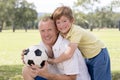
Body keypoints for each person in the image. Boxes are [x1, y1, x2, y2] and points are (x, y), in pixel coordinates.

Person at [48, 6, 112, 80]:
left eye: (64, 21)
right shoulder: (63, 32)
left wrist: (54, 61)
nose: (61, 25)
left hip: (99, 54)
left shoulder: (76, 31)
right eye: (58, 22)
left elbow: (68, 54)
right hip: (88, 57)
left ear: (72, 20)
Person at [22, 16, 91, 80]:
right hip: (56, 77)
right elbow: (38, 65)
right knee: (26, 70)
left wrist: (47, 75)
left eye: (49, 30)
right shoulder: (41, 47)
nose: (46, 34)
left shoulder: (67, 48)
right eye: (43, 31)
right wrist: (28, 58)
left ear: (57, 30)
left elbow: (72, 78)